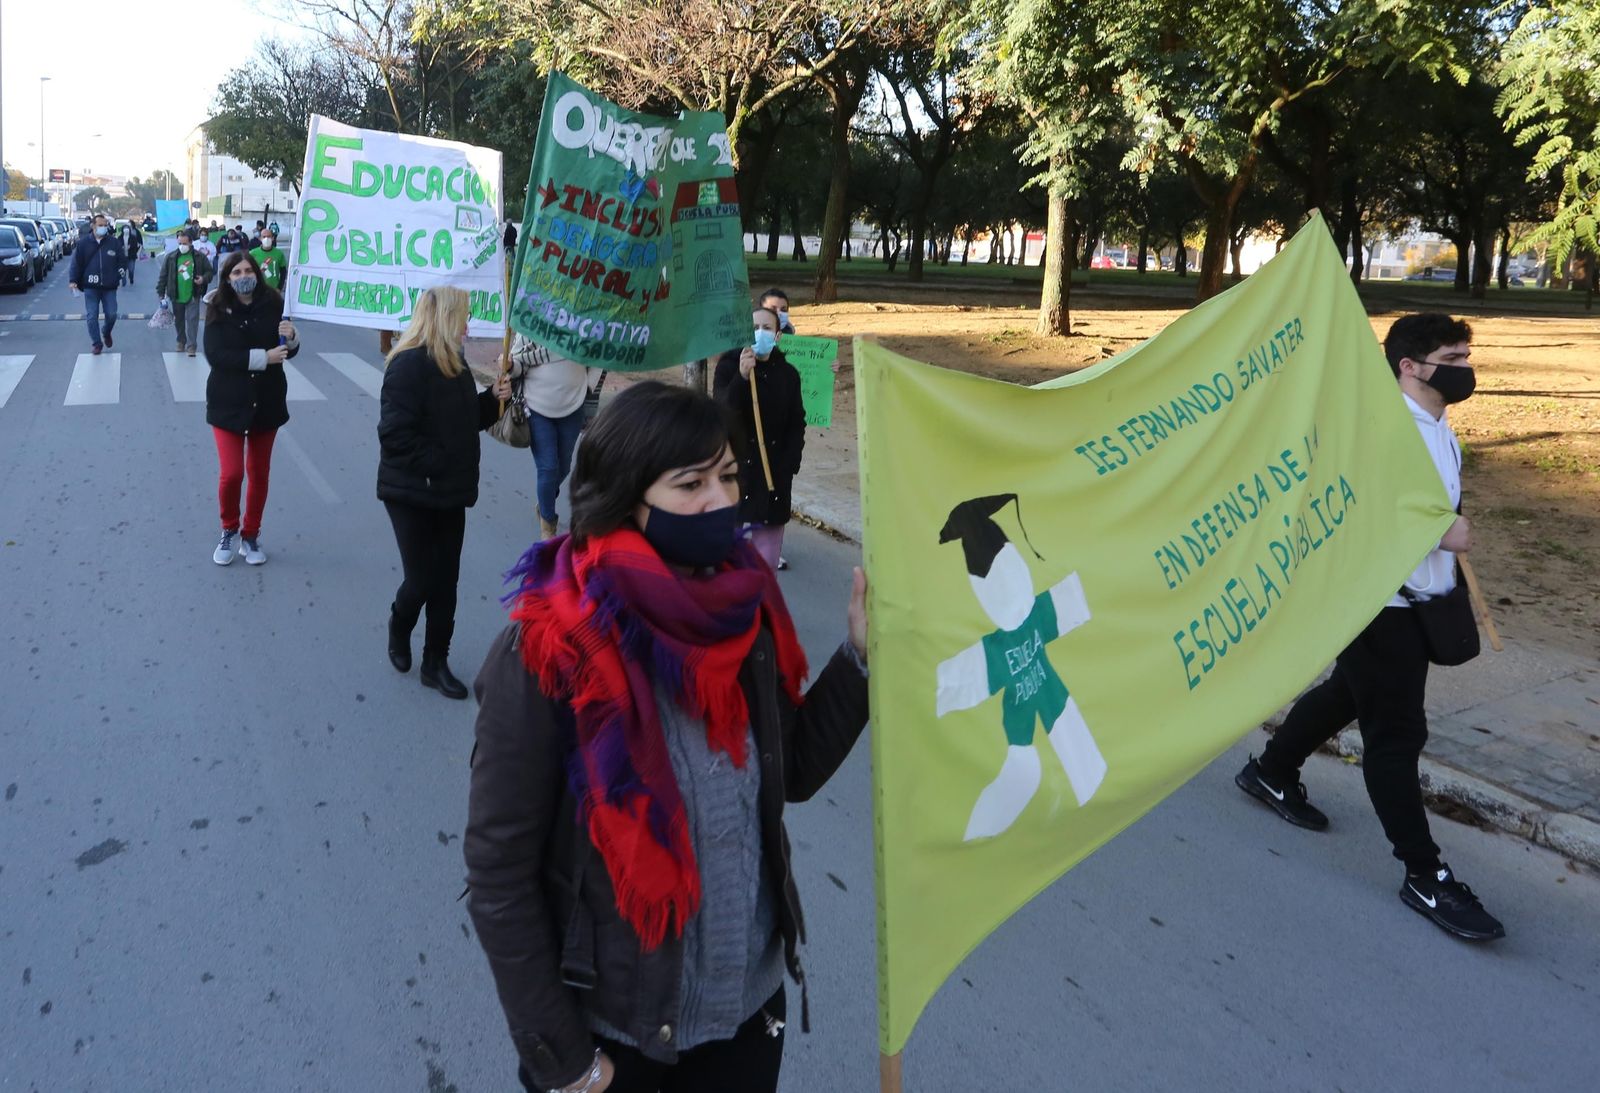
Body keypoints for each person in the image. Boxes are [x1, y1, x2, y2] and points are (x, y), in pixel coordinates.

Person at [464, 380, 869, 1093]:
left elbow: (792, 770)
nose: (721, 499)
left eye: (729, 476)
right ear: (625, 498)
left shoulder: (746, 616)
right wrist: (568, 1063)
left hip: (746, 1020)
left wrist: (859, 659)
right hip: (621, 1043)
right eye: (691, 483)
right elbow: (500, 874)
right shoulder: (547, 653)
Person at [1235, 312, 1503, 942]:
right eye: (1453, 357)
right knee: (1397, 734)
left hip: (1418, 602)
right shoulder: (1380, 429)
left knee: (1350, 694)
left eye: (1467, 354)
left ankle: (1270, 772)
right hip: (1376, 604)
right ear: (1409, 366)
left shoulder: (1441, 429)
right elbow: (1350, 510)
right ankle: (1424, 873)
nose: (1466, 367)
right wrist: (1441, 531)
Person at [377, 286, 514, 700]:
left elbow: (463, 419)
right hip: (411, 492)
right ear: (444, 319)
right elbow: (395, 438)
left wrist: (492, 401)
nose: (468, 325)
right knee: (421, 579)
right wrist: (445, 460)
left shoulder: (455, 361)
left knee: (447, 580)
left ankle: (436, 661)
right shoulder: (406, 366)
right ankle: (400, 624)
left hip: (451, 491)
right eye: (463, 317)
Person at [202, 251, 300, 567]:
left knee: (259, 473)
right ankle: (228, 529)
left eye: (248, 270)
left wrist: (293, 339)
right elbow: (217, 356)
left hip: (266, 402)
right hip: (228, 403)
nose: (244, 276)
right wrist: (262, 358)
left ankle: (251, 534)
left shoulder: (275, 304)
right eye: (236, 272)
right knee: (231, 473)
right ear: (227, 278)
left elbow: (287, 351)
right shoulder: (217, 309)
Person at [713, 308, 805, 572]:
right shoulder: (729, 366)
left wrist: (789, 464)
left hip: (773, 473)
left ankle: (763, 608)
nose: (760, 333)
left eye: (766, 328)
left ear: (777, 336)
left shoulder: (788, 374)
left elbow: (796, 422)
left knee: (767, 558)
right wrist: (741, 378)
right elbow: (721, 411)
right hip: (736, 470)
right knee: (726, 555)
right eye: (754, 327)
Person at [499, 334, 596, 540]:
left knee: (563, 467)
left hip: (573, 405)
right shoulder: (533, 323)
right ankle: (548, 526)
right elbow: (517, 364)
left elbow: (600, 357)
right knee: (548, 467)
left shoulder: (585, 325)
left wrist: (588, 386)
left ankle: (544, 502)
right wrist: (508, 364)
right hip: (537, 406)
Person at [67, 213, 126, 356]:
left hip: (109, 286)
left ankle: (106, 332)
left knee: (111, 314)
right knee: (91, 316)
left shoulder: (113, 242)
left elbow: (122, 261)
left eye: (105, 225)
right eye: (100, 225)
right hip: (90, 287)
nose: (103, 228)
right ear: (93, 226)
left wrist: (119, 273)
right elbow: (76, 264)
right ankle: (97, 343)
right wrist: (73, 280)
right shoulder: (83, 244)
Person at [155, 229, 214, 357]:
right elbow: (163, 276)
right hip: (176, 294)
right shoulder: (171, 257)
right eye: (180, 243)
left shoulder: (200, 257)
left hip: (193, 294)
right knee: (179, 320)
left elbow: (210, 272)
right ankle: (181, 341)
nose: (182, 246)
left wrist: (203, 279)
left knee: (192, 320)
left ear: (191, 243)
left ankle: (192, 345)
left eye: (185, 243)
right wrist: (161, 294)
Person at [250, 228, 286, 293]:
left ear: (273, 238)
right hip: (257, 290)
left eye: (269, 236)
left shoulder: (279, 253)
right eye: (264, 237)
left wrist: (279, 288)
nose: (266, 239)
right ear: (260, 238)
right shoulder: (252, 253)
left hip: (274, 290)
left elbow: (283, 272)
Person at [122, 219, 144, 283]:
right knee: (123, 269)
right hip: (123, 256)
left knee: (131, 269)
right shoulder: (120, 237)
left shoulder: (134, 234)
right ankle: (123, 280)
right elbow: (118, 244)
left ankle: (131, 277)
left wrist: (134, 247)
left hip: (132, 255)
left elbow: (139, 240)